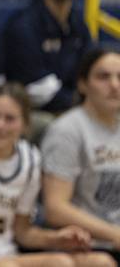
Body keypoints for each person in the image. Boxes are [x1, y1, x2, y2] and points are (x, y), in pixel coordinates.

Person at [0, 83, 115, 266]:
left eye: (9, 119)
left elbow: (22, 232)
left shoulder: (30, 160)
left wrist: (57, 238)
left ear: (25, 124)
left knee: (95, 262)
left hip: (5, 253)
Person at [42, 48, 120, 262]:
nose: (114, 85)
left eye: (119, 77)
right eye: (103, 77)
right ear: (83, 84)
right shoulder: (67, 130)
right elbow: (55, 208)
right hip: (88, 245)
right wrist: (114, 234)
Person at [4, 0, 91, 115]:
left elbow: (89, 70)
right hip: (34, 112)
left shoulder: (78, 23)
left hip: (75, 109)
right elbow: (38, 90)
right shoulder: (23, 26)